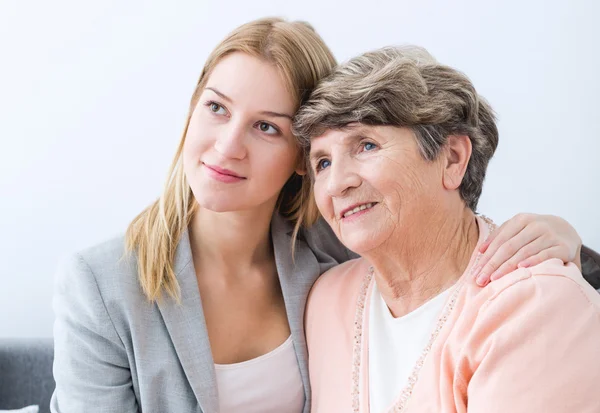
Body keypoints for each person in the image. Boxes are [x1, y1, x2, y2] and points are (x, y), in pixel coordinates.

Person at [50, 19, 598, 413]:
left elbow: (453, 251)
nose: (227, 146)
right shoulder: (102, 285)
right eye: (216, 107)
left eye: (267, 126)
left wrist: (575, 251)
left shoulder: (328, 256)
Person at [296, 45, 600, 412]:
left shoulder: (537, 305)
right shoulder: (326, 300)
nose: (335, 184)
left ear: (452, 158)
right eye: (323, 162)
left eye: (366, 145)